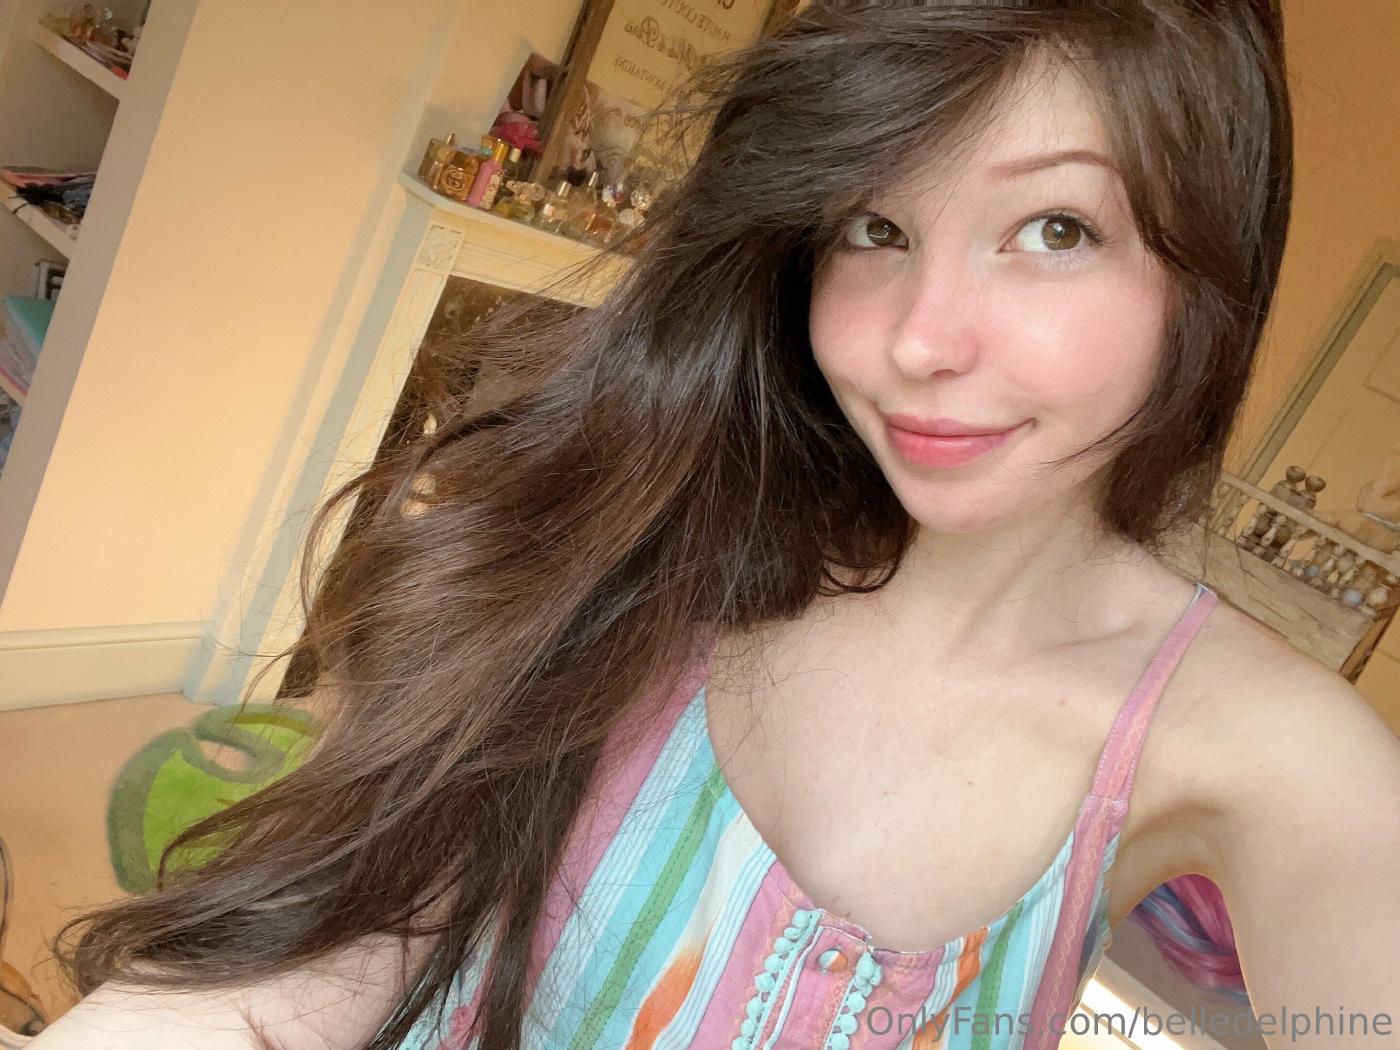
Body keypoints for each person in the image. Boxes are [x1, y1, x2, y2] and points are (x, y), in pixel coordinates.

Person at [32, 2, 1400, 1048]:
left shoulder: (1275, 758)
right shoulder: (668, 526)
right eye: (874, 226)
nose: (918, 340)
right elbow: (361, 929)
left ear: (1205, 270)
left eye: (1053, 229)